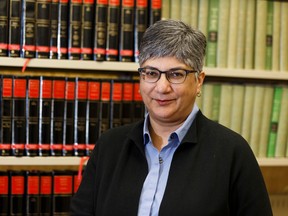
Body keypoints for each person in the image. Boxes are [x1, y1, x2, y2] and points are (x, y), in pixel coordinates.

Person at [70, 19, 273, 216]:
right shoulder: (109, 146)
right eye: (151, 73)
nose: (161, 87)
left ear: (199, 81)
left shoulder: (233, 152)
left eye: (176, 74)